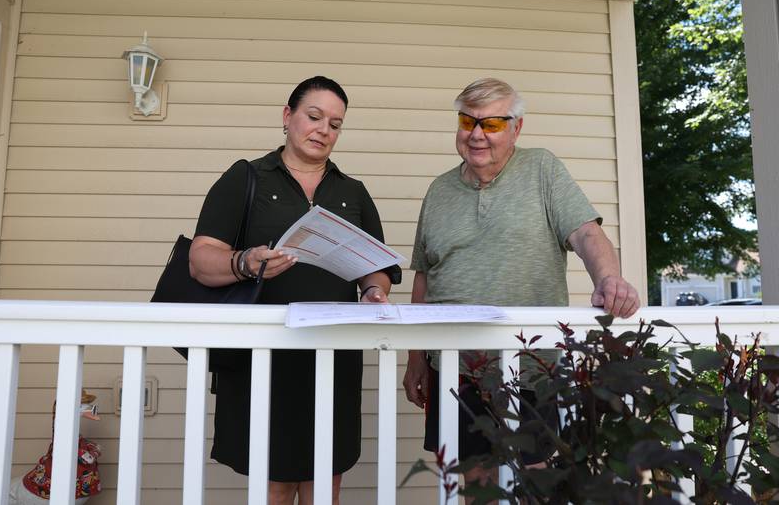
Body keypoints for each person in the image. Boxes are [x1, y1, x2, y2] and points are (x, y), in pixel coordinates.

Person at [401, 77, 640, 502]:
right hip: (455, 371)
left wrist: (609, 279)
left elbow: (586, 234)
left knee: (535, 484)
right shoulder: (438, 190)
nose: (477, 134)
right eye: (467, 121)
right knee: (472, 484)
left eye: (492, 124)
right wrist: (416, 358)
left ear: (517, 128)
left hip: (532, 370)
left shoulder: (542, 170)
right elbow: (424, 276)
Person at [189, 76, 401, 505]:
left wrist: (374, 292)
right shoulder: (246, 177)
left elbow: (377, 270)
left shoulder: (352, 192)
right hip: (264, 358)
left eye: (336, 124)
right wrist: (246, 261)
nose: (324, 130)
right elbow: (200, 259)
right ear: (288, 117)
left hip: (332, 358)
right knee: (275, 488)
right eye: (314, 116)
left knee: (326, 486)